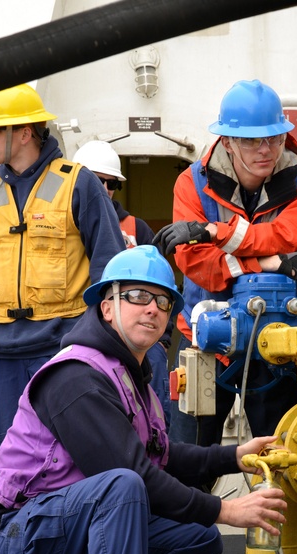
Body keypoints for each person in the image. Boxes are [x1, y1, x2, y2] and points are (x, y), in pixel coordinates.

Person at [0, 245, 285, 554]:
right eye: (136, 296)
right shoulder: (76, 376)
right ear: (107, 306)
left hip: (63, 534)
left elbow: (162, 458)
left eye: (162, 301)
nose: (151, 308)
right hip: (15, 545)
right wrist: (226, 509)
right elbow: (132, 473)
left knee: (199, 539)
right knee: (123, 485)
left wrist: (234, 456)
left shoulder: (132, 379)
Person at [147, 79, 297, 554]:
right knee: (183, 468)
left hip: (279, 348)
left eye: (272, 138)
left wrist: (216, 232)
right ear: (227, 140)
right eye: (251, 142)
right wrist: (269, 265)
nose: (265, 151)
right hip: (207, 344)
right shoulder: (190, 181)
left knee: (287, 466)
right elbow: (195, 263)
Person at [0, 84, 125, 554]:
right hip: (2, 356)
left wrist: (99, 347)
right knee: (8, 465)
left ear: (24, 132)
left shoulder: (77, 186)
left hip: (62, 351)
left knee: (73, 461)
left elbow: (107, 267)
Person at [72, 139, 171, 429]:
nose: (103, 189)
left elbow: (164, 283)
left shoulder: (138, 228)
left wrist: (163, 342)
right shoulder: (65, 228)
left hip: (140, 335)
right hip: (87, 333)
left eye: (111, 183)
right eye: (95, 180)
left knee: (155, 413)